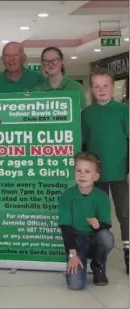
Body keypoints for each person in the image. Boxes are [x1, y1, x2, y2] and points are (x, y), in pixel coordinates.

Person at [81, 68, 129, 274]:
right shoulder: (87, 114)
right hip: (95, 173)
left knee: (124, 212)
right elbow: (83, 144)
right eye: (97, 86)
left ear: (113, 87)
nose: (101, 90)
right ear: (91, 89)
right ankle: (100, 253)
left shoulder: (123, 110)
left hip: (120, 170)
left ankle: (127, 249)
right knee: (98, 212)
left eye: (105, 86)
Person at [58, 152, 114, 290]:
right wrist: (72, 254)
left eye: (87, 171)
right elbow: (65, 227)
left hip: (94, 238)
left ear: (96, 176)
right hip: (76, 242)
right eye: (78, 171)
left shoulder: (101, 197)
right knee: (75, 285)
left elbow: (106, 223)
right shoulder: (67, 196)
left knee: (106, 237)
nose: (82, 175)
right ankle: (76, 263)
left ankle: (98, 266)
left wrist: (98, 225)